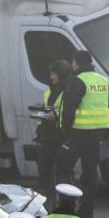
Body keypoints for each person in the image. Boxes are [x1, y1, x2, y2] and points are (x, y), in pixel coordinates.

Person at [56, 50, 109, 218]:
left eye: (72, 63)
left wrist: (65, 129)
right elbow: (108, 107)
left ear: (77, 62)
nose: (71, 66)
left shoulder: (77, 80)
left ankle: (66, 209)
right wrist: (106, 132)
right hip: (97, 133)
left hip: (78, 132)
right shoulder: (102, 80)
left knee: (63, 166)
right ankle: (87, 211)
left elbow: (69, 108)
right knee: (90, 172)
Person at [36, 60, 72, 200]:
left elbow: (70, 111)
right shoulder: (49, 90)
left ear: (61, 74)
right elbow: (48, 107)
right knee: (44, 167)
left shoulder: (68, 90)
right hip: (46, 134)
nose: (51, 77)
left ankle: (63, 198)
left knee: (62, 170)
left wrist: (56, 115)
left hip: (60, 134)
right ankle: (47, 197)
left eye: (53, 74)